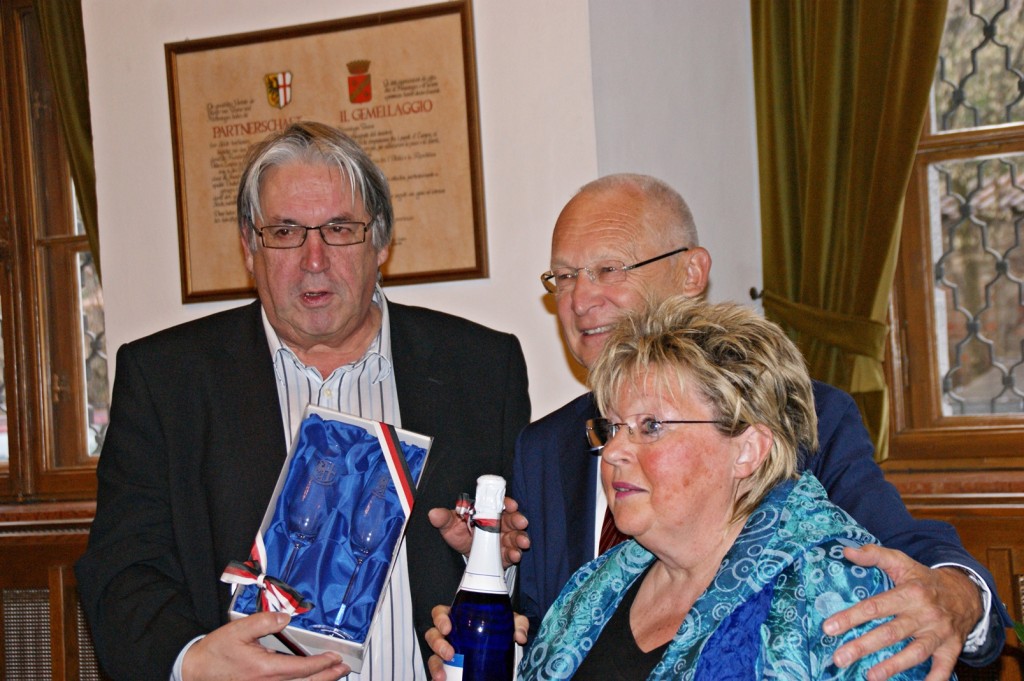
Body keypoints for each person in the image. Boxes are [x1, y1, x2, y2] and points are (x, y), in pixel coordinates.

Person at [430, 173, 1007, 680]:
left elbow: (896, 556)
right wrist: (494, 590)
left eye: (608, 269)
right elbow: (547, 627)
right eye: (562, 278)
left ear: (691, 271)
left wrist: (955, 595)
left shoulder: (804, 419)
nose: (581, 299)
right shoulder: (546, 446)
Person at [75, 121, 531, 681]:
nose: (314, 259)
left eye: (339, 229)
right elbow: (123, 570)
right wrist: (192, 660)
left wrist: (489, 561)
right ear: (249, 246)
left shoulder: (482, 369)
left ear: (380, 240)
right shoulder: (168, 380)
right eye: (286, 233)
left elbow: (531, 566)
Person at [518, 296, 933, 679]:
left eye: (651, 426)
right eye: (611, 428)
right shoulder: (590, 588)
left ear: (748, 450)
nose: (612, 453)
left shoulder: (838, 590)